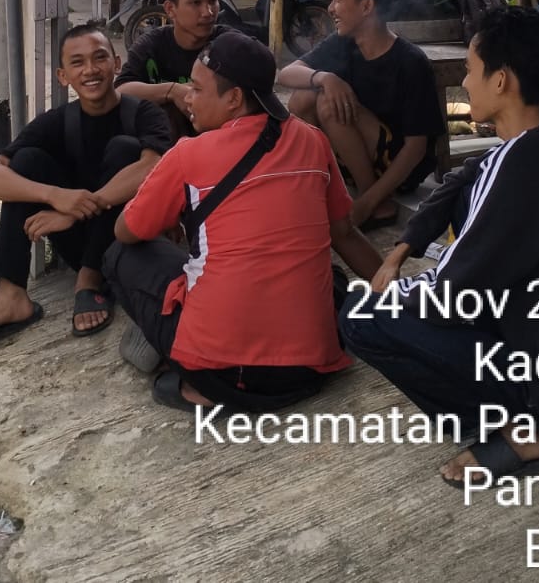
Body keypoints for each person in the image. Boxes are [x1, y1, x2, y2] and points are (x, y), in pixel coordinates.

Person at [345, 7, 539, 486]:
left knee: (361, 317)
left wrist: (389, 292)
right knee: (466, 203)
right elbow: (465, 177)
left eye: (470, 70)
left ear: (501, 80)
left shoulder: (521, 165)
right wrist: (403, 248)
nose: (465, 83)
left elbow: (445, 297)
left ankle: (530, 432)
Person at [105, 31, 383, 412]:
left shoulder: (187, 155)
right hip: (308, 370)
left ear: (234, 99)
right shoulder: (313, 140)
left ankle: (194, 383)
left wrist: (164, 207)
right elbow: (345, 234)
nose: (187, 98)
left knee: (121, 255)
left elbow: (126, 230)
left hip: (223, 375)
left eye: (197, 89)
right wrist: (401, 297)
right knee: (329, 279)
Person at [0, 22, 172, 352]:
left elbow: (155, 167)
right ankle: (11, 295)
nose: (90, 70)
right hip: (78, 241)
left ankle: (89, 280)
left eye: (99, 58)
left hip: (126, 240)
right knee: (26, 160)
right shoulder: (57, 121)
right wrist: (56, 197)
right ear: (63, 76)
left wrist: (76, 210)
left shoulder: (144, 114)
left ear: (116, 64)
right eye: (77, 63)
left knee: (125, 148)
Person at [278, 0, 443, 229]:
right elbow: (286, 74)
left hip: (399, 170)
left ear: (366, 6)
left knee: (327, 104)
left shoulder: (410, 62)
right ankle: (318, 184)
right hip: (357, 156)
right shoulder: (343, 42)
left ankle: (375, 203)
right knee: (304, 97)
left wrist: (367, 201)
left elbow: (416, 148)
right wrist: (326, 77)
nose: (331, 8)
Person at [116, 0, 226, 141]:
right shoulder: (151, 45)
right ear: (170, 9)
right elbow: (121, 90)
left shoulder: (229, 44)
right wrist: (172, 91)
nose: (208, 12)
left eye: (212, 0)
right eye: (195, 2)